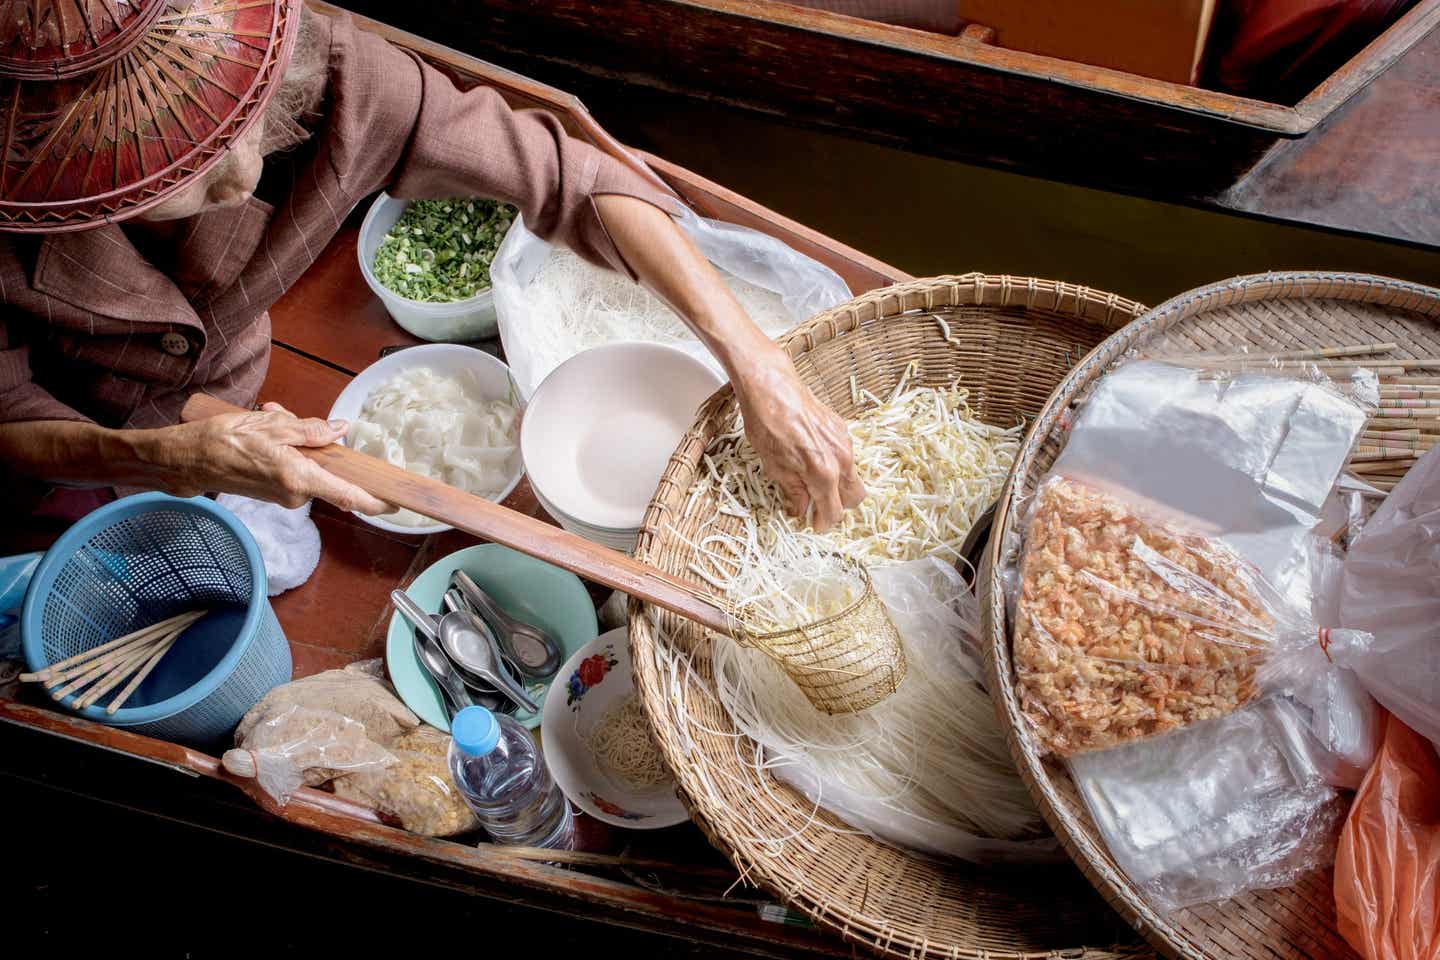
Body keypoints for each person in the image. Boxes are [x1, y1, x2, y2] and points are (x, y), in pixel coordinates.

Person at [0, 1, 863, 532]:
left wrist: (757, 360)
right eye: (174, 172)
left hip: (235, 381)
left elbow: (574, 179)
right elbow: (10, 411)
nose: (235, 172)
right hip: (76, 435)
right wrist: (170, 458)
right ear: (69, 180)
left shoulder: (330, 72)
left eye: (246, 120)